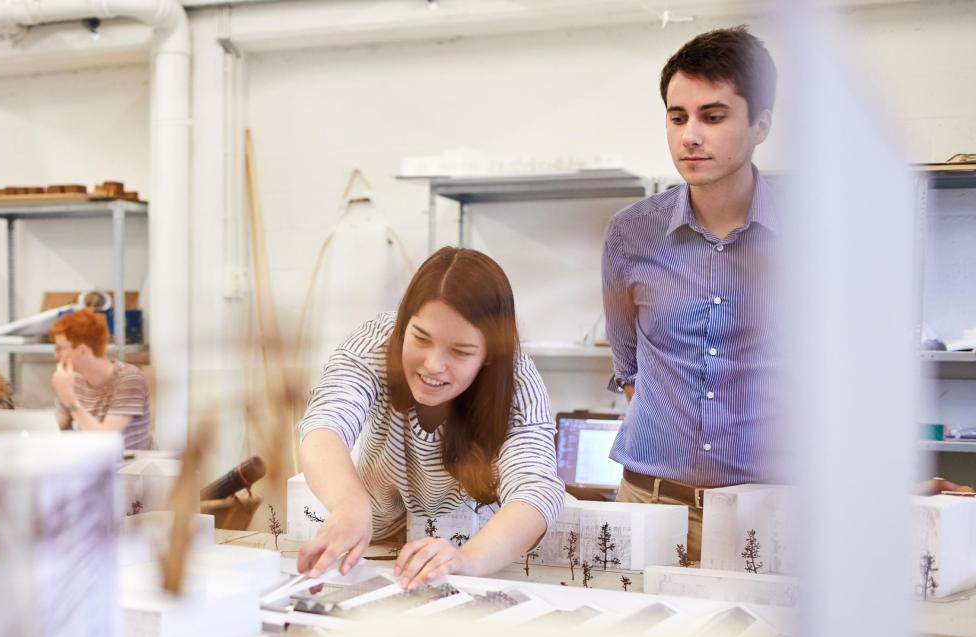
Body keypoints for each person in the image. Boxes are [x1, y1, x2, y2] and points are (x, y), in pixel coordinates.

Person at [601, 26, 779, 562]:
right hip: (650, 505)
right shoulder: (630, 233)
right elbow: (630, 369)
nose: (690, 136)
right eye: (678, 118)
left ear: (760, 125)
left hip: (767, 514)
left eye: (713, 116)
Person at [296, 246, 564, 591]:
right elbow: (324, 424)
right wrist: (349, 507)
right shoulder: (375, 345)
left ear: (489, 354)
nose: (433, 365)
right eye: (421, 338)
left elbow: (536, 488)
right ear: (404, 323)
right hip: (370, 538)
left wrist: (467, 559)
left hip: (470, 549)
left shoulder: (517, 383)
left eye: (460, 352)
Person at [49, 309, 152, 451]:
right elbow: (59, 423)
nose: (55, 355)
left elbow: (105, 440)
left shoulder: (129, 379)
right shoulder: (72, 379)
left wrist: (69, 398)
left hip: (127, 468)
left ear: (82, 350)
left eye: (60, 348)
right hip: (89, 463)